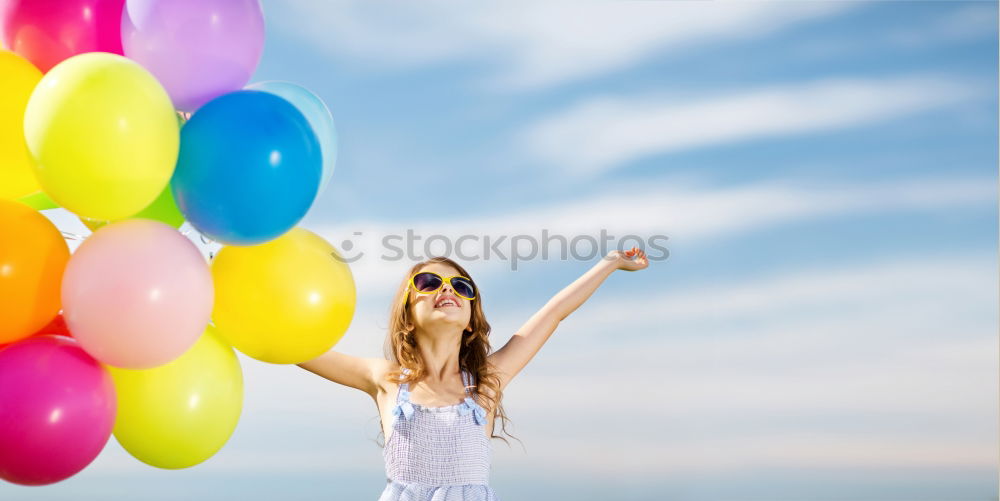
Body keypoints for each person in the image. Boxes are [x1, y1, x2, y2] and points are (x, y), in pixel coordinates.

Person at [297, 247, 650, 500]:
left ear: (471, 322)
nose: (447, 289)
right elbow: (295, 348)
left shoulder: (486, 382)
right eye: (429, 282)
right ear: (406, 315)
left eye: (462, 287)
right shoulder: (387, 379)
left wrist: (610, 263)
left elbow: (554, 312)